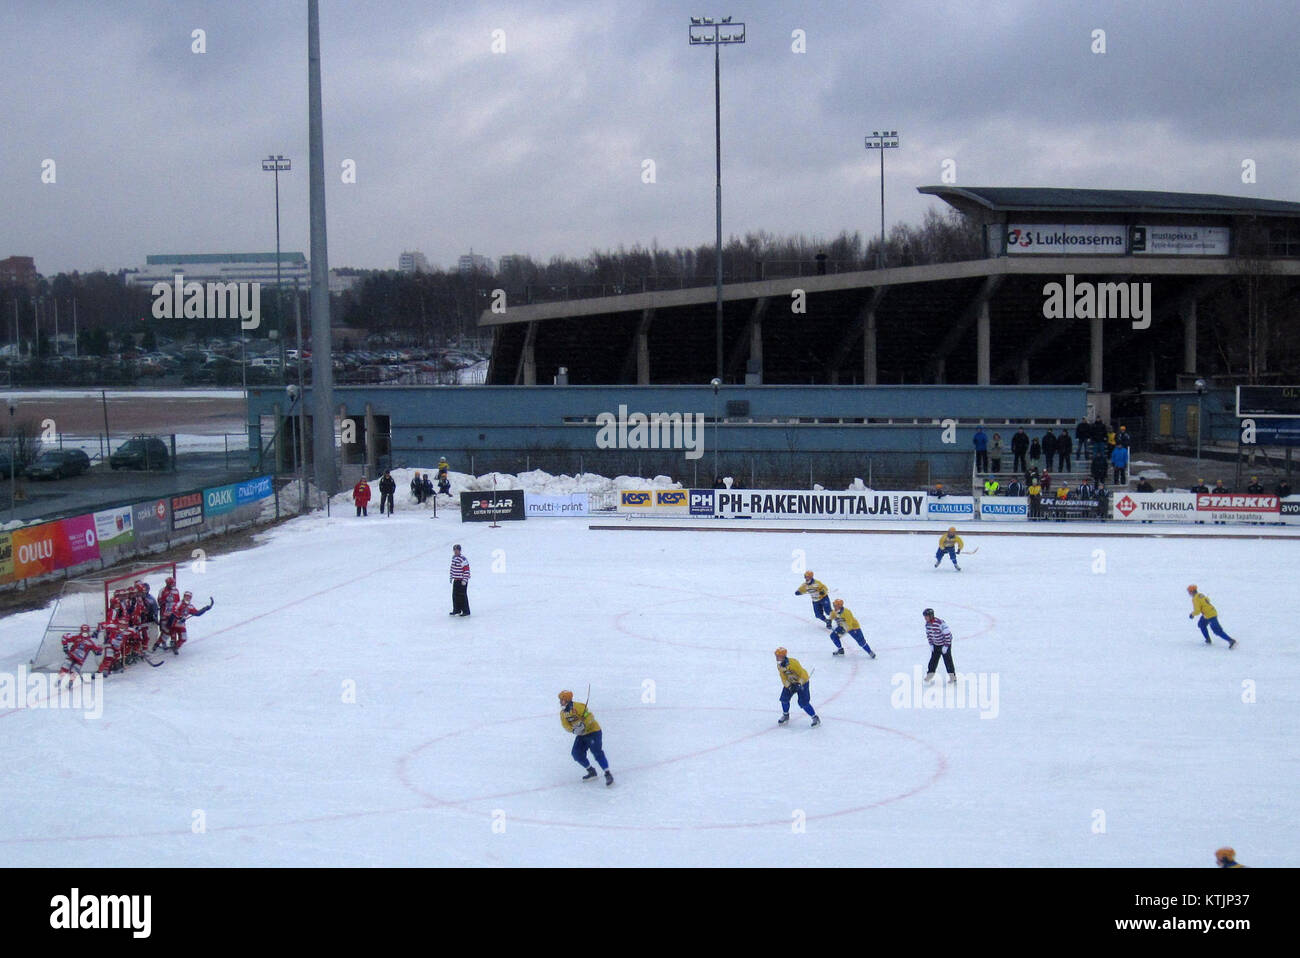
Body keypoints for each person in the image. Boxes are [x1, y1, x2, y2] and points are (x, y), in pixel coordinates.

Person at [558, 690, 613, 786]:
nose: (560, 702)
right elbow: (565, 725)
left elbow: (590, 716)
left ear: (567, 700)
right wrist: (574, 730)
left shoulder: (579, 707)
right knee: (576, 754)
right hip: (581, 735)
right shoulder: (563, 713)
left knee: (597, 753)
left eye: (562, 700)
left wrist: (584, 724)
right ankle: (591, 771)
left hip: (593, 732)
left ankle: (608, 773)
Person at [774, 647, 820, 727]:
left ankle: (815, 717)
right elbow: (783, 677)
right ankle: (786, 715)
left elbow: (802, 674)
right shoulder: (779, 666)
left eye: (779, 656)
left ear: (784, 656)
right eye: (776, 656)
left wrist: (799, 684)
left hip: (803, 682)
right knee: (784, 699)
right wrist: (789, 686)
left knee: (803, 703)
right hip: (791, 682)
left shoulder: (793, 663)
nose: (777, 657)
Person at [166, 591, 213, 655]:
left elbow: (197, 613)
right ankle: (171, 642)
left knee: (183, 638)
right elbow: (174, 611)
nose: (187, 598)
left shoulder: (190, 606)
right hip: (174, 623)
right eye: (186, 596)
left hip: (181, 624)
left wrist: (206, 608)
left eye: (189, 597)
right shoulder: (179, 603)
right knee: (173, 636)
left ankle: (176, 647)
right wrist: (180, 617)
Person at [922, 608, 956, 685]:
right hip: (935, 645)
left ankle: (953, 678)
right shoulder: (927, 625)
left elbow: (948, 635)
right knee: (933, 661)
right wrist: (931, 644)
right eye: (924, 616)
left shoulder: (940, 623)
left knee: (948, 661)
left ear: (931, 616)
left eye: (926, 616)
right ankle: (929, 676)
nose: (925, 618)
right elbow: (929, 635)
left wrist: (946, 646)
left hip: (944, 645)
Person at [450, 544, 471, 616]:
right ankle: (456, 609)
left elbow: (466, 570)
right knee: (455, 595)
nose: (455, 551)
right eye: (454, 550)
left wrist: (465, 579)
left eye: (457, 550)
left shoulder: (463, 559)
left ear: (460, 550)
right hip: (456, 580)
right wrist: (451, 576)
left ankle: (466, 611)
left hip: (462, 581)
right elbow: (452, 568)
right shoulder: (454, 558)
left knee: (462, 596)